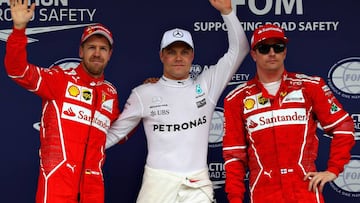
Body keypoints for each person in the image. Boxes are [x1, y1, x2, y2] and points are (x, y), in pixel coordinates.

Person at [105, 0, 249, 202]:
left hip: (197, 183)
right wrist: (78, 151)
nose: (178, 58)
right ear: (162, 56)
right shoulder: (144, 93)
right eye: (171, 52)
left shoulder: (207, 86)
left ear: (192, 55)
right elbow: (114, 133)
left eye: (184, 52)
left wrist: (227, 12)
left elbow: (240, 50)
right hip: (157, 183)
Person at [222, 23, 355, 203]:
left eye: (278, 47)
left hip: (305, 193)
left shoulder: (310, 87)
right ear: (253, 55)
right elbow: (234, 157)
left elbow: (344, 127)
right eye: (264, 48)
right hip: (264, 195)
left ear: (284, 52)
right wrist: (236, 200)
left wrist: (333, 169)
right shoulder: (236, 99)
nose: (272, 53)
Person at [4, 0, 119, 202]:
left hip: (93, 186)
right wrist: (19, 30)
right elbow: (17, 70)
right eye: (91, 47)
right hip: (58, 179)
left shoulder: (110, 92)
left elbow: (121, 125)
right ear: (81, 52)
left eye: (103, 48)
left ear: (110, 55)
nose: (97, 53)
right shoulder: (59, 79)